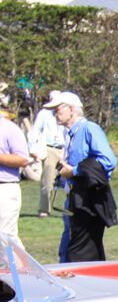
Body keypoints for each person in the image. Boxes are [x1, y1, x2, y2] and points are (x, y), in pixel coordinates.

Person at [50, 92, 116, 263]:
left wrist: (74, 171)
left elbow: (108, 161)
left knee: (81, 253)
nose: (54, 114)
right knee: (69, 250)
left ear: (72, 109)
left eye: (57, 109)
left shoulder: (89, 129)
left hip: (88, 201)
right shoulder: (70, 134)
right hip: (75, 198)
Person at [27, 90, 65, 218]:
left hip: (64, 149)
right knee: (47, 181)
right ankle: (44, 209)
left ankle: (72, 209)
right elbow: (35, 131)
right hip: (50, 149)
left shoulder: (66, 114)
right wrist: (32, 148)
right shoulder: (44, 113)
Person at [0, 110, 28, 241]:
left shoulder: (8, 128)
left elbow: (22, 159)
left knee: (5, 238)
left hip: (5, 188)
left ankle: (15, 256)